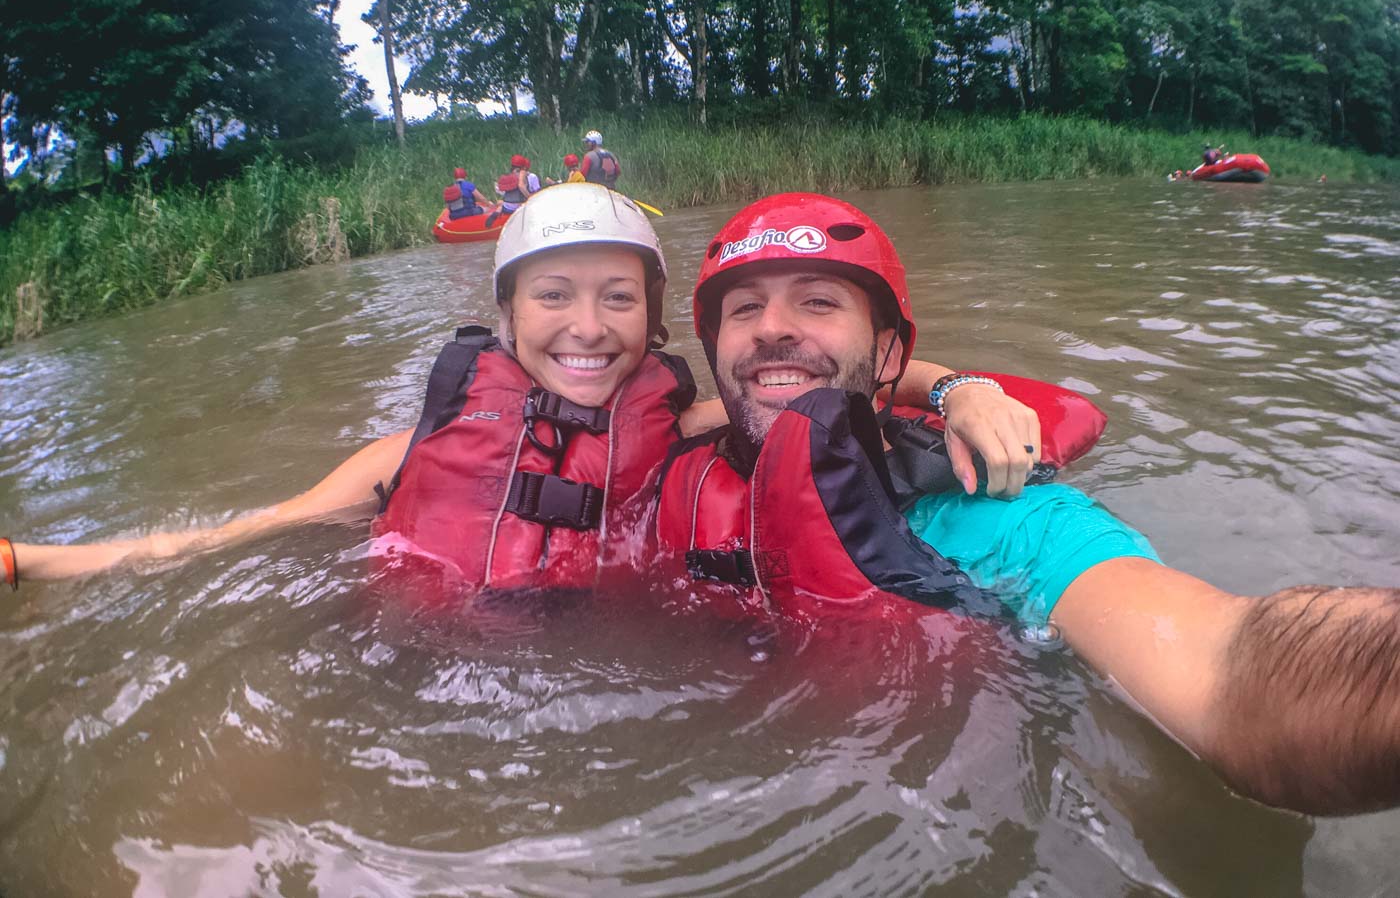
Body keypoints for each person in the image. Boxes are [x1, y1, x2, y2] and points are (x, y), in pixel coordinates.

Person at [656, 191, 1400, 818]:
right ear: (717, 350)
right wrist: (955, 384)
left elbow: (1224, 667)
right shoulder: (669, 463)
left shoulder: (1005, 523)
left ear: (887, 354)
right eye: (744, 308)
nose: (772, 328)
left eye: (817, 302)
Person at [5, 185, 1037, 590]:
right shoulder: (408, 459)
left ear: (657, 323)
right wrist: (27, 560)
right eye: (552, 296)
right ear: (503, 319)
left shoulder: (685, 419)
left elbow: (823, 389)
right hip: (415, 692)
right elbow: (213, 540)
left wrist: (963, 391)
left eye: (616, 301)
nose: (586, 328)